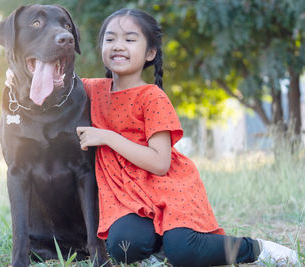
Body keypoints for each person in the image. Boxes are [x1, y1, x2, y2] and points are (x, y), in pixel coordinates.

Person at [75, 8, 300, 267]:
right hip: (126, 198)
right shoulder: (90, 90)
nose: (118, 46)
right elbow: (59, 88)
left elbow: (160, 163)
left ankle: (255, 248)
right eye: (110, 38)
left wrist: (107, 137)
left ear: (150, 53)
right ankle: (159, 250)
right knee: (124, 247)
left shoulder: (152, 96)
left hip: (167, 187)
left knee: (185, 251)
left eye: (130, 39)